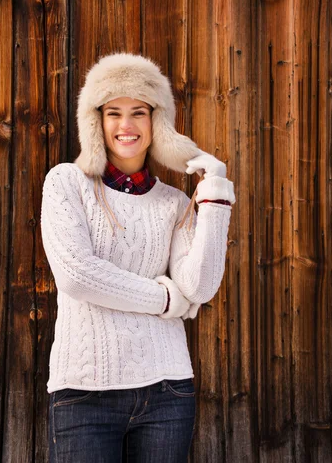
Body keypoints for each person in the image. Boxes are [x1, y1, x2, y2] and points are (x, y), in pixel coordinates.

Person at [41, 53, 235, 462]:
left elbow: (198, 286)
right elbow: (78, 275)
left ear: (157, 122)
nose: (126, 126)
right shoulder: (66, 183)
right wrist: (165, 300)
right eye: (114, 113)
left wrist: (215, 195)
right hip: (84, 393)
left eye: (139, 112)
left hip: (168, 391)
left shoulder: (175, 202)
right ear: (96, 121)